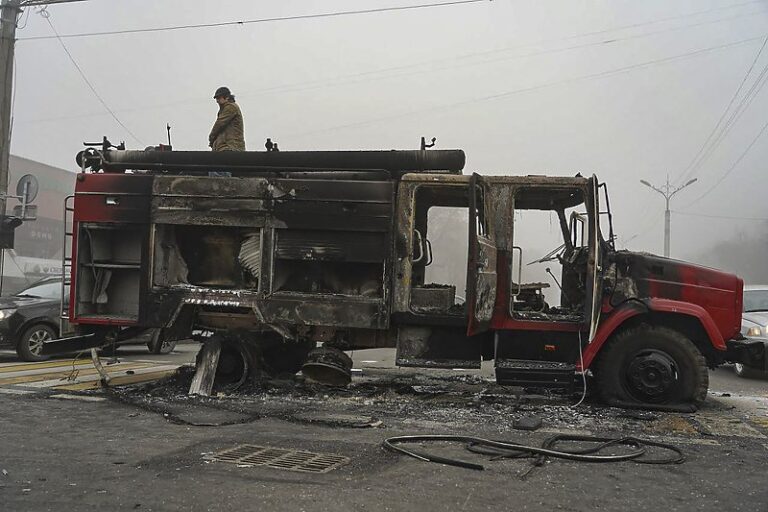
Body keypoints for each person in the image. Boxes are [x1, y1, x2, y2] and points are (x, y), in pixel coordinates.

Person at [208, 87, 245, 152]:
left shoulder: (230, 107)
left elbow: (219, 124)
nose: (217, 101)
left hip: (230, 147)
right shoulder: (224, 109)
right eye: (216, 99)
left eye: (219, 98)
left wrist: (211, 138)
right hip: (225, 147)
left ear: (227, 97)